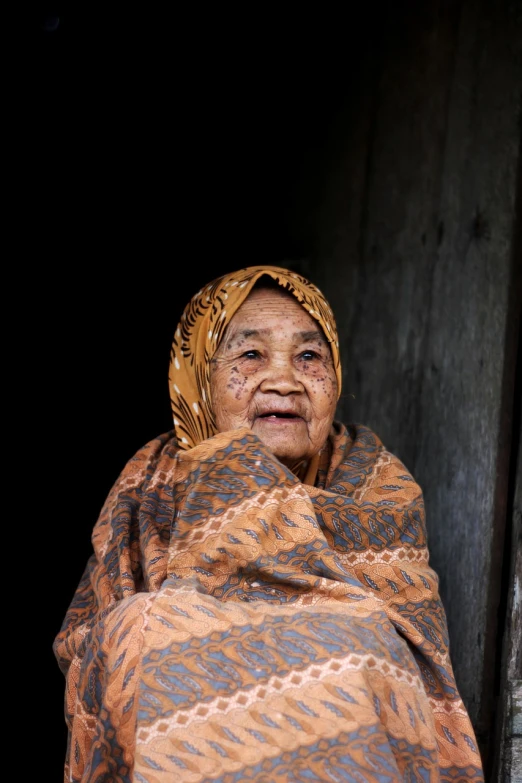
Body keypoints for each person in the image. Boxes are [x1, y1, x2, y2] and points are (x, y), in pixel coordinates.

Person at [54, 265, 485, 783]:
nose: (285, 380)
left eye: (309, 356)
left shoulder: (374, 481)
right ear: (196, 379)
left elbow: (405, 654)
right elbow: (91, 646)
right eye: (250, 354)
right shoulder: (150, 485)